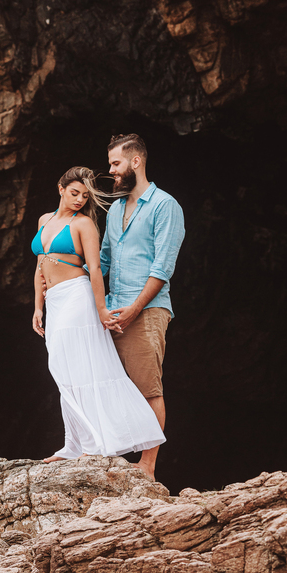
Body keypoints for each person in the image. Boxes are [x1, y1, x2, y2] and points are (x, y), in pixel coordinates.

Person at [32, 166, 166, 466]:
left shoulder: (84, 225)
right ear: (60, 188)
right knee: (63, 371)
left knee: (75, 368)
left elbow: (94, 269)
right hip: (53, 302)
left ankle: (94, 443)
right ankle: (72, 444)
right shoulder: (45, 220)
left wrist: (102, 309)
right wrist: (38, 307)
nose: (79, 199)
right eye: (74, 192)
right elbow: (40, 266)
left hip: (77, 297)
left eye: (85, 196)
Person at [99, 134, 186, 481]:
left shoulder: (166, 206)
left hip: (146, 311)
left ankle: (147, 467)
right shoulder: (116, 208)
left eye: (115, 164)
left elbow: (162, 269)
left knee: (148, 388)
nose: (111, 171)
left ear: (136, 162)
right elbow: (102, 259)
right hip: (111, 312)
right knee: (111, 387)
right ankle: (111, 457)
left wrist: (135, 308)